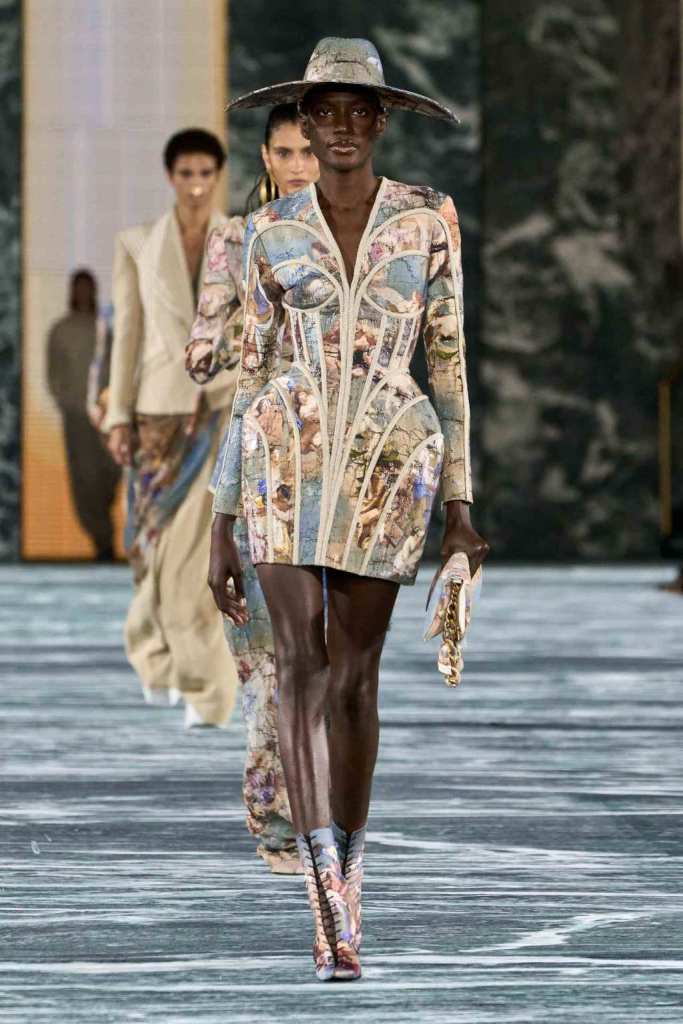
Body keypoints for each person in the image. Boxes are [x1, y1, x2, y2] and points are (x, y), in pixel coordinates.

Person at [206, 38, 489, 981]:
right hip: (282, 459)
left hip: (390, 462)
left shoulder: (427, 219)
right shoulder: (269, 231)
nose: (339, 127)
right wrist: (220, 517)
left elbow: (447, 362)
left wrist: (459, 504)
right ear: (302, 121)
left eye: (356, 112)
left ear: (379, 121)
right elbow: (250, 374)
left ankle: (350, 875)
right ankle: (323, 894)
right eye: (322, 112)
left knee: (355, 680)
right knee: (298, 665)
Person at [187, 105, 319, 872]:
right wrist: (246, 328)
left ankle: (317, 813)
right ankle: (275, 820)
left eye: (309, 151)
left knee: (326, 658)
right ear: (265, 156)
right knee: (268, 658)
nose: (300, 165)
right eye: (286, 151)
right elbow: (201, 356)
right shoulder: (236, 241)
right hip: (260, 456)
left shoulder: (353, 237)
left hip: (337, 464)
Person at [104, 129, 238, 729]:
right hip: (157, 409)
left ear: (218, 176)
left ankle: (206, 686)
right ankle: (153, 655)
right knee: (148, 546)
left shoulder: (242, 240)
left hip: (220, 407)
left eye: (206, 174)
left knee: (196, 551)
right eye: (186, 174)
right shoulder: (136, 244)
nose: (197, 186)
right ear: (170, 177)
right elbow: (127, 335)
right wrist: (118, 414)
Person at [47, 270, 121, 561]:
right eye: (78, 288)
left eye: (87, 288)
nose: (83, 293)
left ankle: (105, 533)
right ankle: (102, 540)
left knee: (111, 473)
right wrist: (68, 402)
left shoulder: (105, 329)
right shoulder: (60, 330)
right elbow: (54, 372)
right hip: (77, 417)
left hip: (107, 415)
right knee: (85, 479)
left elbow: (117, 366)